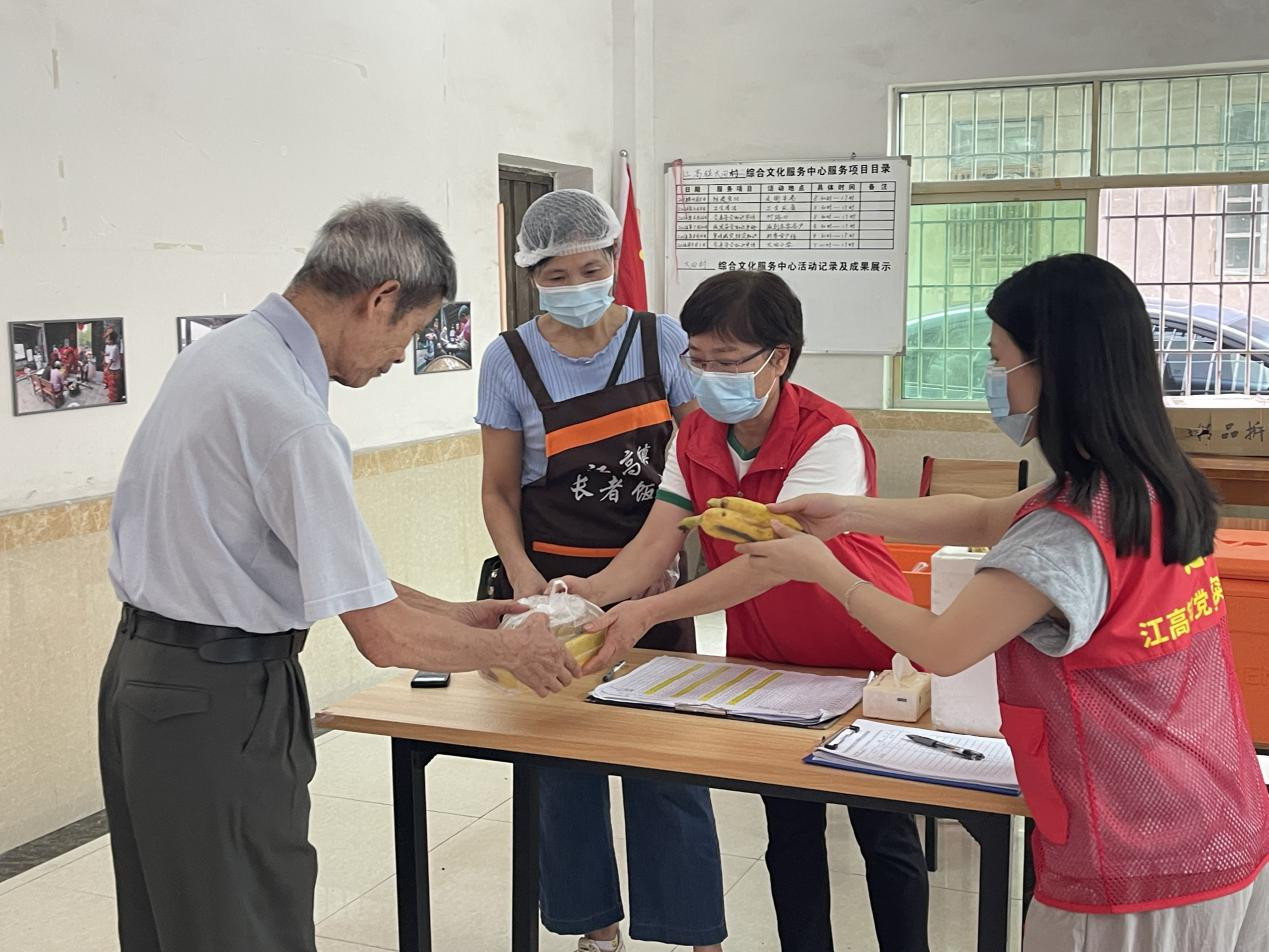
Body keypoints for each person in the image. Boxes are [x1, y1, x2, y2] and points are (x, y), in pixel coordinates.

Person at [736, 254, 1269, 952]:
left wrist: (823, 569)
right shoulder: (1142, 481)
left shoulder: (1067, 528)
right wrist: (849, 514)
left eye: (999, 360)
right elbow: (982, 518)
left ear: (1055, 369)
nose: (994, 380)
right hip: (1215, 817)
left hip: (1132, 856)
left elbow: (941, 646)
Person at [101, 198, 580, 952]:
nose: (399, 358)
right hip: (218, 698)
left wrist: (460, 615)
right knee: (247, 923)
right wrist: (511, 651)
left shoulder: (220, 358)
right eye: (411, 333)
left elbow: (320, 570)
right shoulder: (291, 416)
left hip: (148, 677)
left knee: (174, 923)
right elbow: (381, 637)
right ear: (380, 298)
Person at [568, 270, 930, 952]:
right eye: (698, 360)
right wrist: (587, 595)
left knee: (883, 834)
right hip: (767, 664)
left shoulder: (830, 437)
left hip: (858, 655)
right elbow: (654, 544)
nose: (710, 377)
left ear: (780, 357)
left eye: (729, 362)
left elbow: (766, 564)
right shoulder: (696, 435)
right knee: (789, 832)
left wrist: (647, 615)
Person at [476, 188, 725, 952]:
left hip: (653, 588)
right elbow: (496, 487)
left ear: (615, 262)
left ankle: (692, 931)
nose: (576, 285)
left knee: (667, 762)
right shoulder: (508, 358)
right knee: (563, 768)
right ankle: (594, 926)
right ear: (531, 276)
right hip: (553, 594)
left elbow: (698, 462)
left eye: (590, 267)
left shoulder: (663, 340)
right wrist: (521, 574)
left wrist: (667, 566)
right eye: (557, 275)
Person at [103, 329, 123, 402]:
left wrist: (107, 368)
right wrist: (105, 355)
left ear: (112, 340)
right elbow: (109, 354)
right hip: (110, 367)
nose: (106, 340)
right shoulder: (108, 346)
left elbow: (111, 360)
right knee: (111, 384)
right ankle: (113, 396)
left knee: (114, 385)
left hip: (114, 369)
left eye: (108, 339)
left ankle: (114, 399)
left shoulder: (115, 348)